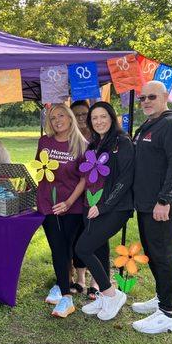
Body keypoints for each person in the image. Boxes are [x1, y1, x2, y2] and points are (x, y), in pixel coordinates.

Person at [131, 81, 172, 334]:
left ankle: (168, 314)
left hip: (162, 206)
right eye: (142, 98)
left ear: (165, 97)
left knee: (164, 257)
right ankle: (160, 298)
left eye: (151, 97)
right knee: (154, 254)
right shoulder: (149, 124)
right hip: (146, 205)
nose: (145, 101)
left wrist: (166, 200)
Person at [75, 101, 135, 321]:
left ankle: (112, 294)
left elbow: (125, 178)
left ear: (112, 117)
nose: (98, 121)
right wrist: (90, 204)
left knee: (82, 248)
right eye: (94, 118)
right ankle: (104, 294)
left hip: (115, 207)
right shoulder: (94, 144)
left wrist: (103, 206)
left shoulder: (122, 141)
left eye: (103, 117)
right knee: (99, 248)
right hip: (91, 205)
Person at [36, 104, 87, 318]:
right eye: (53, 117)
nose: (57, 120)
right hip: (48, 203)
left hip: (71, 206)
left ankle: (64, 293)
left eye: (61, 116)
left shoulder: (82, 144)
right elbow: (41, 169)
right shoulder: (44, 142)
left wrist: (68, 202)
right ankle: (63, 290)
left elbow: (84, 179)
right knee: (57, 247)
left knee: (66, 248)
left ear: (70, 118)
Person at [69, 100, 100, 298]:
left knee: (96, 237)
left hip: (97, 196)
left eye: (83, 114)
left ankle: (96, 281)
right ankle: (80, 278)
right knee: (79, 238)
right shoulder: (70, 139)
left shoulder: (100, 138)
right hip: (76, 197)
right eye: (76, 114)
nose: (80, 117)